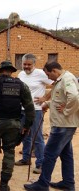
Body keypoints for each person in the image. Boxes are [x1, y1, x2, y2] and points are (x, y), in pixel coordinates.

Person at [0, 61, 35, 191]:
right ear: (11, 71)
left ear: (0, 71)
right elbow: (30, 107)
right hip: (13, 124)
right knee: (9, 153)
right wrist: (27, 125)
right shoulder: (21, 85)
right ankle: (3, 185)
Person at [24, 62, 79, 191]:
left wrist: (66, 110)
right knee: (66, 154)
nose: (49, 78)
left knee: (49, 154)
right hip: (64, 124)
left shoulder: (67, 78)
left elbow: (75, 97)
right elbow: (61, 98)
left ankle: (42, 184)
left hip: (63, 124)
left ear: (54, 70)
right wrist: (48, 104)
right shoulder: (61, 80)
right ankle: (68, 183)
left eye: (49, 74)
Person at [15, 53, 53, 174]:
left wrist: (45, 99)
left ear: (34, 64)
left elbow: (56, 84)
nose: (26, 66)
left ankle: (40, 164)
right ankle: (26, 159)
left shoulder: (41, 74)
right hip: (22, 110)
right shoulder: (21, 74)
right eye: (24, 64)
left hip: (36, 110)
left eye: (28, 64)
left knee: (37, 138)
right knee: (24, 134)